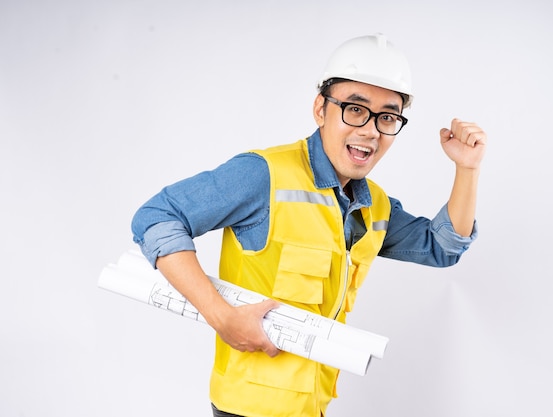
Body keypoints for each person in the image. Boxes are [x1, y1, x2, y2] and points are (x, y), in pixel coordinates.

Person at [131, 33, 487, 417]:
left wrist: (467, 169)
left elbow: (443, 248)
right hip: (248, 408)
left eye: (387, 116)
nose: (370, 130)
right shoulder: (265, 175)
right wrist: (221, 317)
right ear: (321, 109)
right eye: (355, 109)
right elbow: (156, 218)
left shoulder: (375, 206)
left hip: (311, 406)